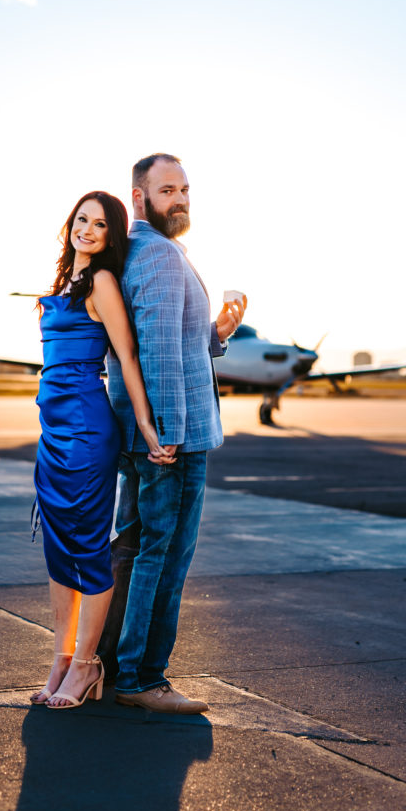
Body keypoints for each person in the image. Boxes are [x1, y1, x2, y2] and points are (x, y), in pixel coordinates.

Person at [102, 153, 246, 714]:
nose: (180, 198)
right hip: (171, 441)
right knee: (163, 557)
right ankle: (143, 680)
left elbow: (171, 341)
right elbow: (156, 353)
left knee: (135, 549)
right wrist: (170, 437)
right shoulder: (159, 255)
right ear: (139, 197)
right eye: (167, 189)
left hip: (150, 435)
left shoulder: (141, 252)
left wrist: (218, 334)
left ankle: (112, 667)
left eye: (184, 188)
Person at [30, 191, 172, 710]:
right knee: (57, 548)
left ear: (112, 236)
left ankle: (89, 663)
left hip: (89, 433)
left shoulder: (103, 283)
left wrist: (144, 423)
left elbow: (128, 356)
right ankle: (61, 658)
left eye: (100, 225)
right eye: (81, 220)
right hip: (52, 432)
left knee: (88, 548)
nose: (87, 229)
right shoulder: (60, 286)